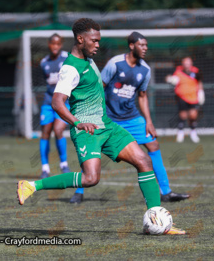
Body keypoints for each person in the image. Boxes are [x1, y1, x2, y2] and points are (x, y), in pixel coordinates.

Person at [17, 18, 185, 235]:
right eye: (94, 41)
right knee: (91, 179)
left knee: (144, 160)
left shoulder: (88, 59)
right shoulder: (70, 68)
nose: (98, 44)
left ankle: (157, 221)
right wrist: (78, 122)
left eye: (99, 41)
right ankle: (31, 186)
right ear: (80, 39)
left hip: (107, 127)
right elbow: (57, 103)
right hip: (87, 131)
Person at [69, 32, 190, 204]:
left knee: (153, 143)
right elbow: (98, 88)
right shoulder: (115, 64)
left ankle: (166, 192)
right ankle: (79, 192)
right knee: (92, 151)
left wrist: (148, 121)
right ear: (132, 46)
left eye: (146, 45)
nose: (145, 48)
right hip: (107, 118)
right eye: (142, 45)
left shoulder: (145, 69)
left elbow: (142, 96)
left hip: (132, 117)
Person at [39, 34, 70, 178]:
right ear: (49, 44)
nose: (55, 47)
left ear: (61, 44)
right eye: (53, 44)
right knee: (45, 132)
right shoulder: (43, 62)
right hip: (48, 102)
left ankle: (63, 164)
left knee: (58, 130)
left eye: (58, 44)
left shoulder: (67, 58)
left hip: (63, 102)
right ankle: (45, 168)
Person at [166, 57, 204, 143]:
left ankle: (193, 132)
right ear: (183, 64)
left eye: (188, 63)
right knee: (183, 115)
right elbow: (169, 78)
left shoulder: (196, 71)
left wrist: (201, 92)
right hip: (181, 97)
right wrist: (170, 79)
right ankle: (180, 132)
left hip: (193, 97)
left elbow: (199, 82)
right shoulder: (178, 71)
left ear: (191, 64)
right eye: (185, 63)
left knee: (193, 115)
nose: (187, 65)